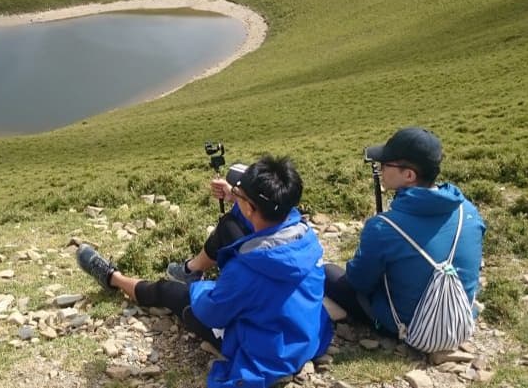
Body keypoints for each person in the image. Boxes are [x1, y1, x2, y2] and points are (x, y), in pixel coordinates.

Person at [77, 155, 333, 388]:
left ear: (250, 208)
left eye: (240, 195)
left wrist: (199, 289)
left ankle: (113, 277)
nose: (237, 195)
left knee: (170, 292)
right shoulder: (304, 234)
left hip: (271, 352)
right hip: (304, 335)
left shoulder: (245, 270)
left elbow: (212, 313)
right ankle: (185, 270)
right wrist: (235, 196)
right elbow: (252, 216)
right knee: (228, 227)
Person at [324, 127, 486, 341]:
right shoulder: (469, 210)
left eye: (385, 164)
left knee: (328, 272)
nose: (380, 169)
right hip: (460, 319)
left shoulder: (383, 227)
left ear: (409, 175)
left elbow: (359, 283)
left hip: (409, 327)